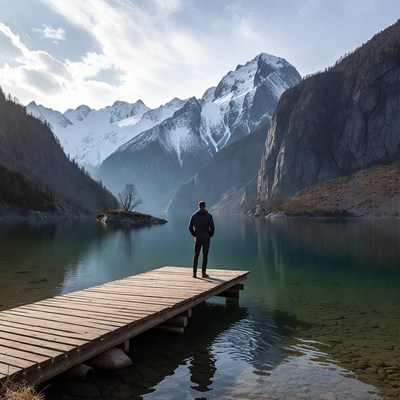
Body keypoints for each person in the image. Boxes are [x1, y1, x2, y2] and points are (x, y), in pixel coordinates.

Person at [188, 201, 215, 278]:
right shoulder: (209, 216)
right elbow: (212, 228)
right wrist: (210, 235)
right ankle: (203, 273)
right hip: (206, 238)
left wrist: (194, 234)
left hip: (198, 238)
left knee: (196, 255)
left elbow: (190, 227)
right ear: (205, 206)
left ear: (198, 206)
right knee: (205, 256)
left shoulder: (194, 216)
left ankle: (194, 273)